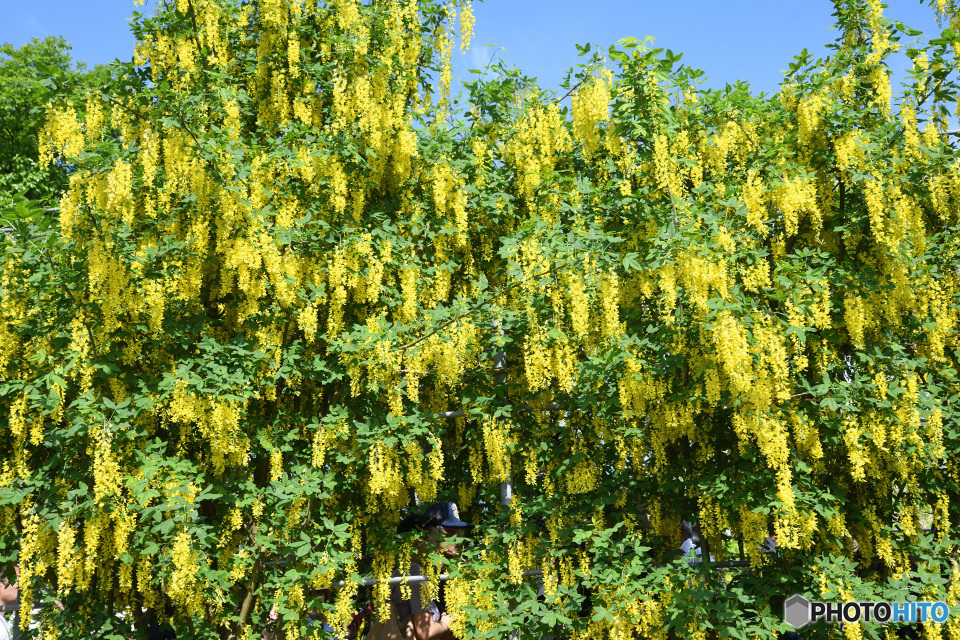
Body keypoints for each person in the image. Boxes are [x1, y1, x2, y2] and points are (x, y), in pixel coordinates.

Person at [391, 502, 473, 640]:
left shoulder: (452, 575)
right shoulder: (415, 572)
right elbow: (426, 631)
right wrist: (447, 623)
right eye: (451, 531)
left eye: (460, 531)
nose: (458, 538)